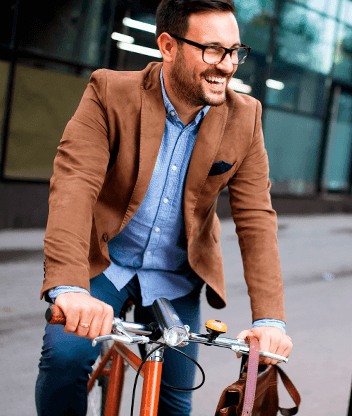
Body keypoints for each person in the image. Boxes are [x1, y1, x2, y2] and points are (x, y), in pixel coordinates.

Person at [35, 1, 292, 415]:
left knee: (175, 400)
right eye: (211, 50)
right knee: (65, 359)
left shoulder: (246, 116)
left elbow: (257, 220)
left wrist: (270, 321)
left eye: (234, 51)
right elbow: (73, 186)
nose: (226, 65)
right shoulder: (109, 91)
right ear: (168, 46)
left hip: (176, 274)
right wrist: (70, 289)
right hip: (105, 262)